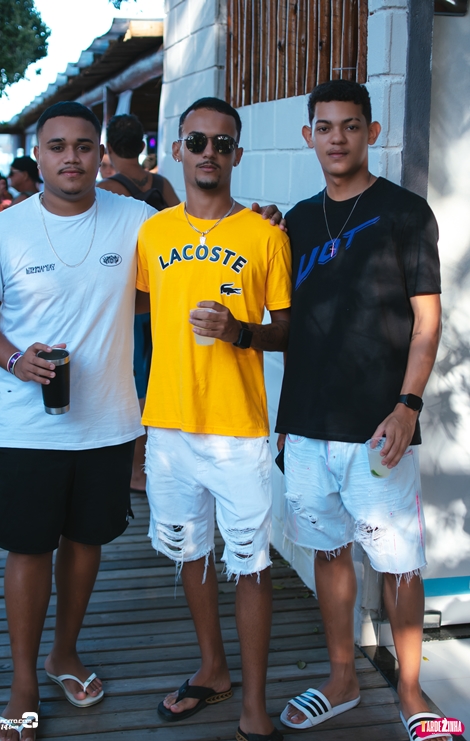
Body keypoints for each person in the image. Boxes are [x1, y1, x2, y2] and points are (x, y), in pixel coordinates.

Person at [0, 101, 156, 741]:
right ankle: (23, 682)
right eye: (57, 147)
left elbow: (181, 262)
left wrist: (259, 218)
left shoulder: (137, 219)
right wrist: (15, 359)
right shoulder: (1, 231)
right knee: (29, 548)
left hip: (109, 419)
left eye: (84, 146)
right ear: (40, 155)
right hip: (28, 424)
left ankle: (64, 654)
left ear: (100, 154)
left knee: (86, 541)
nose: (71, 157)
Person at [275, 80, 445, 741]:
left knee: (400, 562)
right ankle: (342, 677)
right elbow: (291, 324)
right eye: (325, 127)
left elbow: (427, 320)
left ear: (371, 133)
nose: (337, 138)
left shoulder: (406, 212)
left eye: (351, 126)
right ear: (308, 136)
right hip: (308, 425)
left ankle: (411, 690)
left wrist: (407, 405)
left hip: (380, 427)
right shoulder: (294, 221)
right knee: (328, 551)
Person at [136, 97, 292, 741]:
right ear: (177, 149)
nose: (209, 152)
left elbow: (288, 330)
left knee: (251, 562)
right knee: (191, 552)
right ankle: (212, 668)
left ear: (238, 154)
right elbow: (134, 312)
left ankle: (254, 704)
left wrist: (239, 331)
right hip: (169, 426)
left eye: (222, 143)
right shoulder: (152, 233)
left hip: (237, 428)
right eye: (196, 141)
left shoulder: (265, 234)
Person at [99, 113, 180, 493]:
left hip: (129, 302)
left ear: (109, 149)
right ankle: (145, 468)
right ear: (142, 145)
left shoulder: (107, 189)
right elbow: (181, 229)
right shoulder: (161, 184)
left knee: (129, 387)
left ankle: (134, 471)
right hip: (160, 300)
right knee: (153, 381)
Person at [98, 113, 179, 209]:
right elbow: (182, 216)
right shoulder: (163, 184)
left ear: (109, 147)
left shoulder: (104, 190)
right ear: (142, 147)